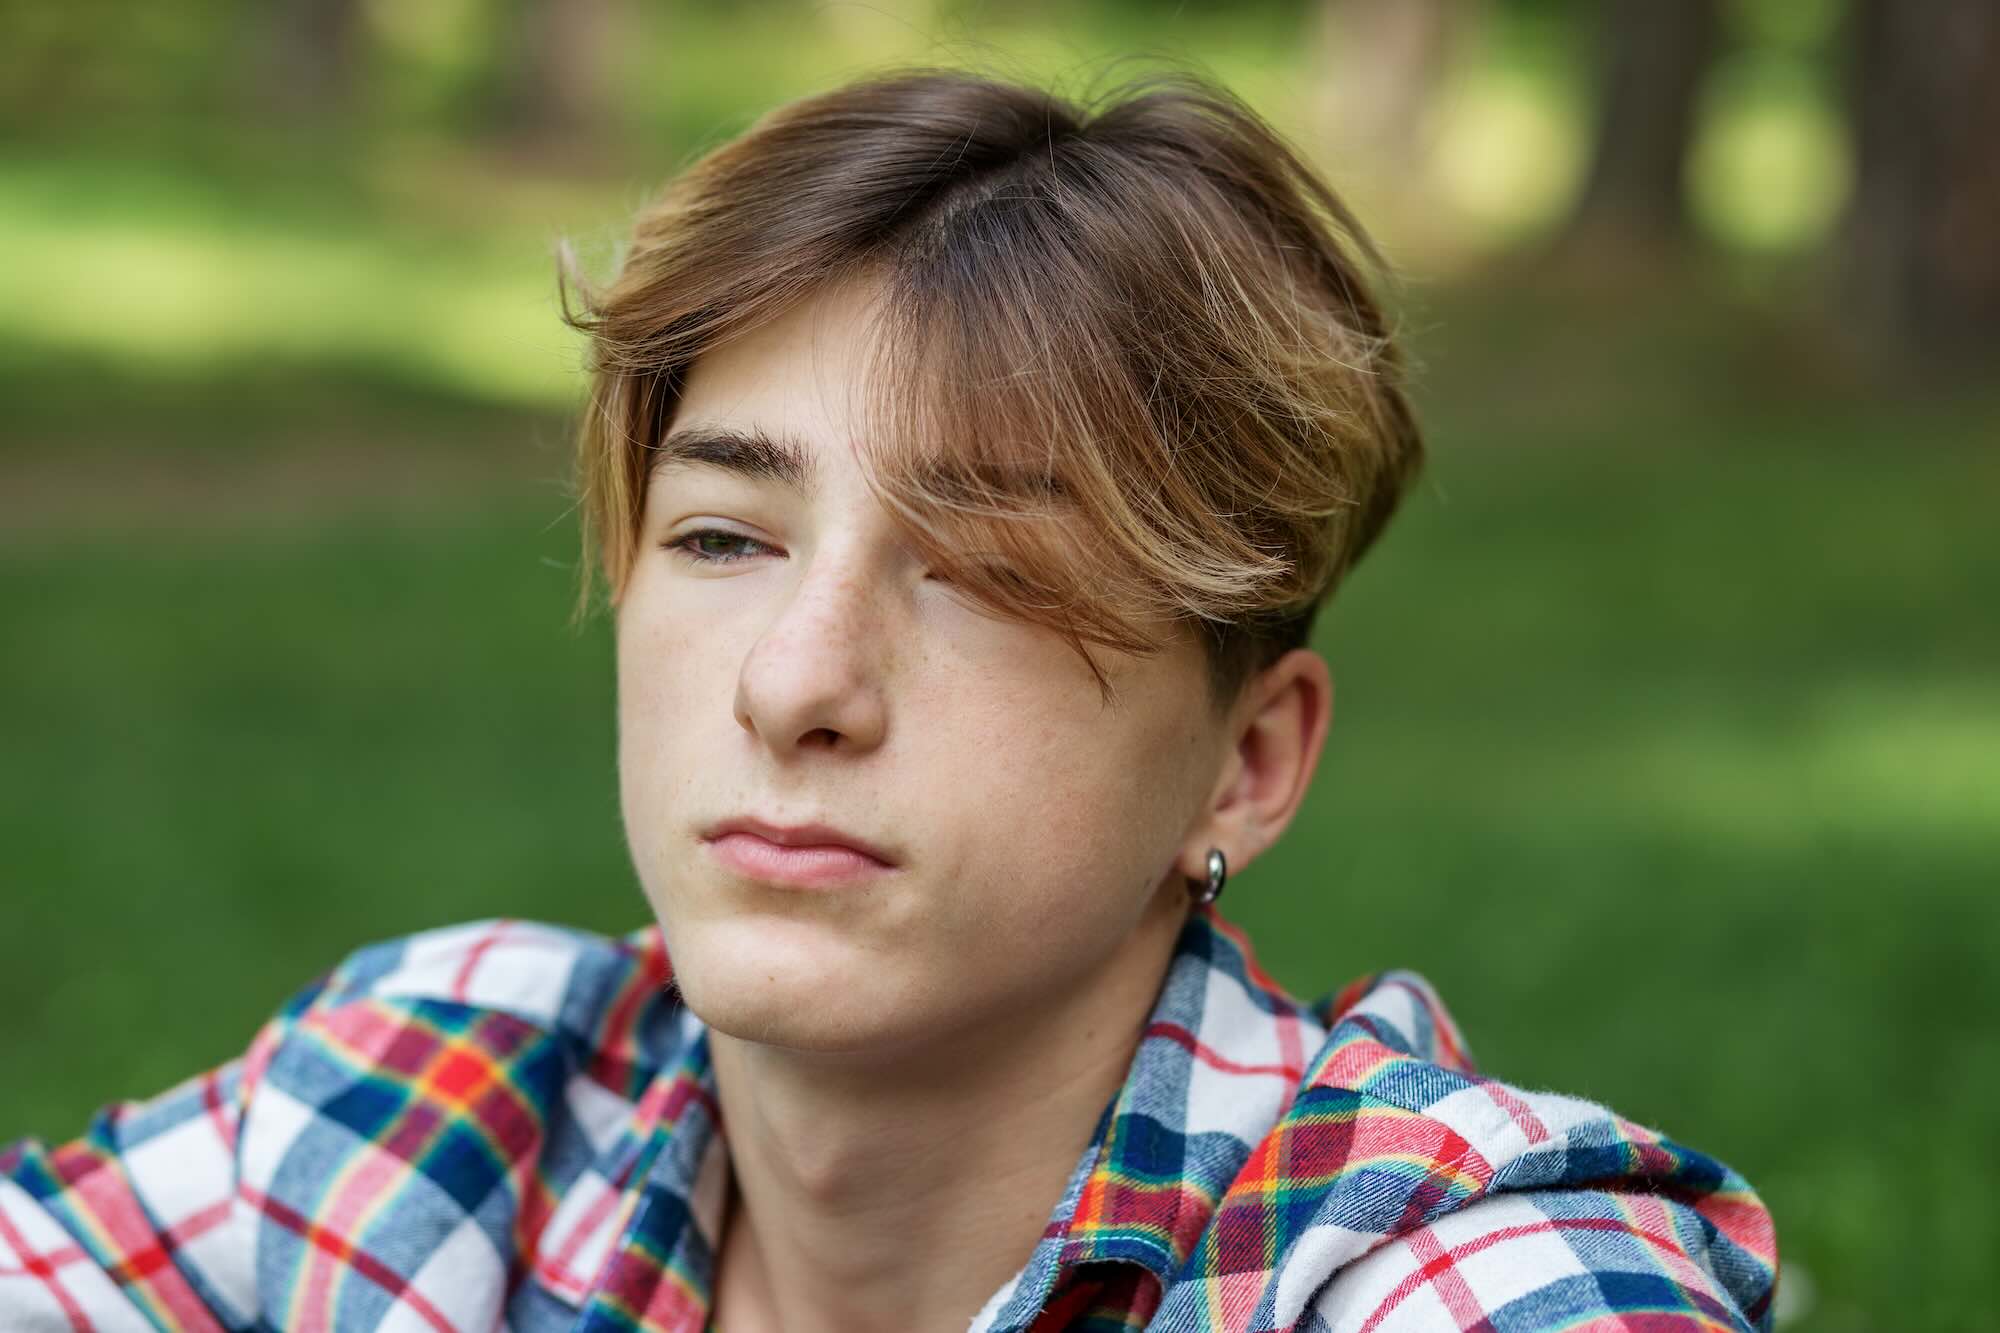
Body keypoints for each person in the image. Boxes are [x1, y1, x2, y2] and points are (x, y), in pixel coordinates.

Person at [0, 67, 1777, 1331]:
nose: (797, 683)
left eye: (988, 574)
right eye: (720, 535)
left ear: (1244, 764)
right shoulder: (436, 1095)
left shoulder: (1440, 1271)